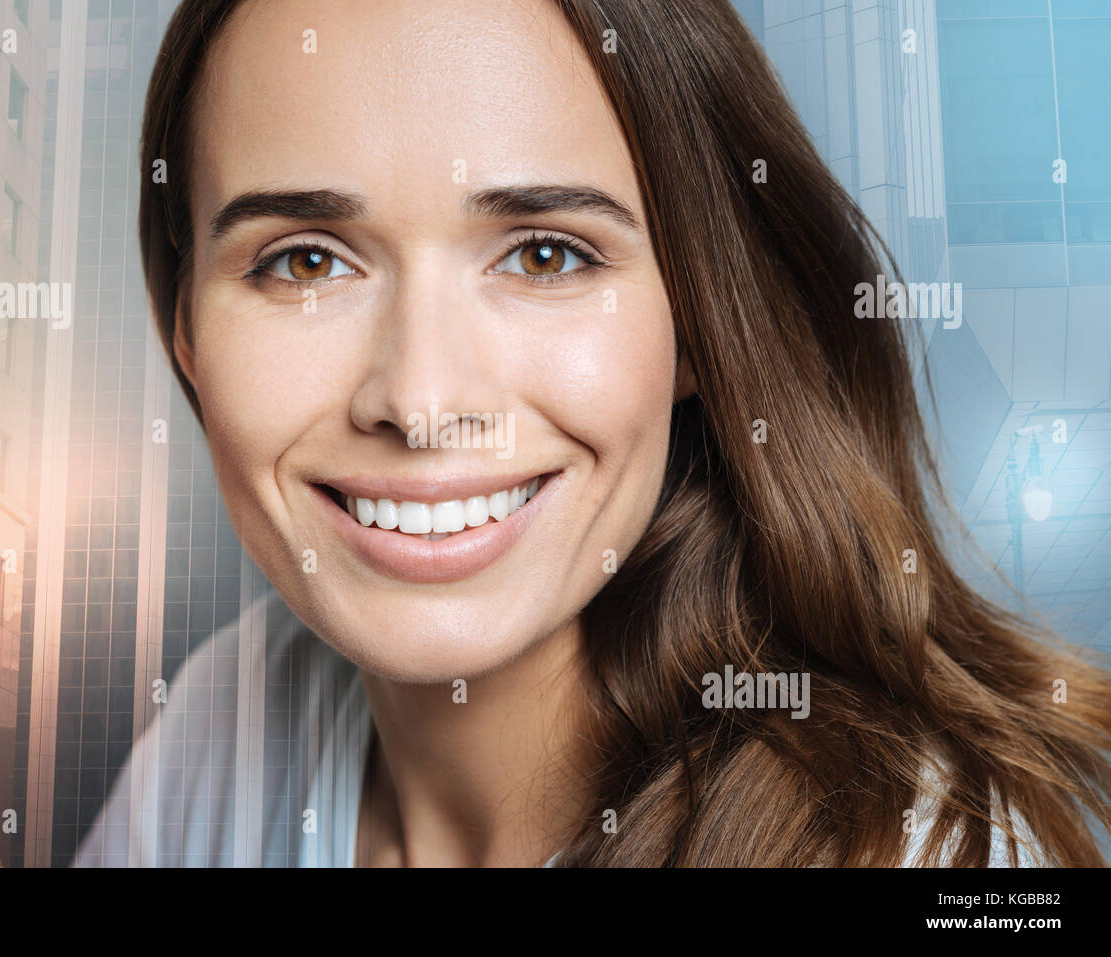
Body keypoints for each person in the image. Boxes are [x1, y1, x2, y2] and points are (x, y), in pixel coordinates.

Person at [84, 0, 1111, 867]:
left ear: (698, 326)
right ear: (183, 327)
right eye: (306, 263)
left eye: (543, 256)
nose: (422, 400)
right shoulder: (223, 717)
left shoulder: (944, 850)